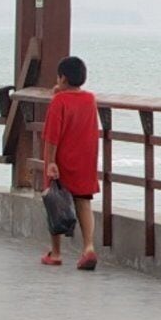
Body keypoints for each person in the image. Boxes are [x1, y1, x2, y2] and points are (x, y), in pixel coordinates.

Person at [41, 55, 102, 271]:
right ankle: (88, 248)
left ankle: (56, 252)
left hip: (62, 159)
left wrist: (50, 162)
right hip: (86, 157)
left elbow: (52, 136)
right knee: (84, 202)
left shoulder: (59, 101)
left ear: (62, 78)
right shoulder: (90, 99)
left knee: (55, 202)